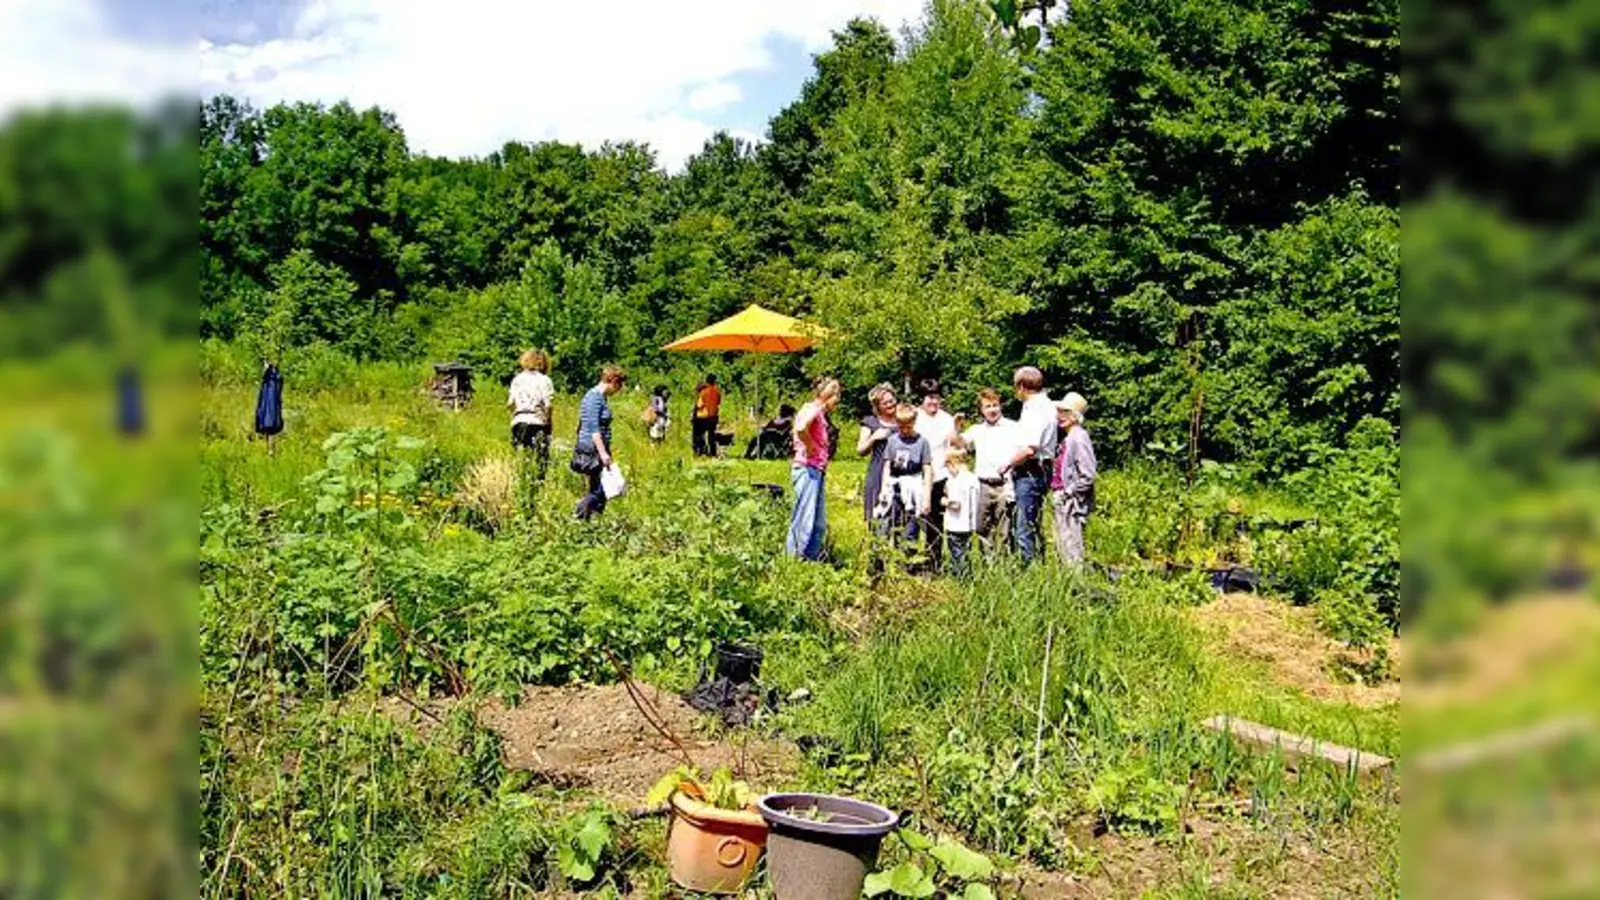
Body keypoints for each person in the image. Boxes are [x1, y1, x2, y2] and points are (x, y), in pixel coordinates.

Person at [999, 366, 1056, 564]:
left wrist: (1007, 464)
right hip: (1040, 468)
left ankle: (1028, 571)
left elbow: (1030, 448)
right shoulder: (1046, 405)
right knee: (1032, 521)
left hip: (1031, 470)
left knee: (1025, 526)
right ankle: (1036, 565)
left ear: (1022, 387)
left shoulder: (1035, 410)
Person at [787, 378, 841, 560]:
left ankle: (810, 559)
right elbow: (801, 428)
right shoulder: (813, 409)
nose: (838, 401)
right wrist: (810, 447)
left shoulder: (818, 412)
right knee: (804, 518)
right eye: (837, 396)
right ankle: (793, 560)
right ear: (828, 395)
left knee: (818, 523)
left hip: (816, 470)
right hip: (807, 469)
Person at [962, 388, 1020, 555]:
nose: (992, 410)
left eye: (995, 405)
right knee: (981, 527)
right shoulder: (976, 430)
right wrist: (955, 426)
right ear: (982, 410)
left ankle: (1003, 564)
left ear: (1000, 406)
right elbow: (959, 443)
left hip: (1004, 484)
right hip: (982, 484)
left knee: (1005, 528)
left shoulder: (1012, 427)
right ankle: (987, 562)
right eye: (988, 406)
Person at [871, 403, 933, 560]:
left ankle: (906, 563)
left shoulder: (923, 442)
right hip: (894, 487)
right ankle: (880, 563)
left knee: (910, 528)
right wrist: (884, 490)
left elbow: (927, 469)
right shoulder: (892, 441)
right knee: (886, 524)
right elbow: (887, 465)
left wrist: (926, 498)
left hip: (913, 489)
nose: (904, 430)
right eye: (901, 426)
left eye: (908, 426)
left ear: (914, 422)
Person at [913, 378, 957, 573]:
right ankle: (911, 561)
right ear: (922, 399)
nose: (933, 402)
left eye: (936, 397)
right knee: (913, 521)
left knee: (936, 522)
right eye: (929, 397)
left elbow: (951, 448)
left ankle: (933, 563)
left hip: (940, 476)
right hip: (916, 477)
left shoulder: (946, 419)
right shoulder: (913, 417)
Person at [572, 365, 625, 520]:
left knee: (599, 488)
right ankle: (579, 513)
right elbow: (593, 428)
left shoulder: (600, 398)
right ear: (613, 381)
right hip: (592, 449)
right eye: (619, 385)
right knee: (600, 490)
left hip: (597, 448)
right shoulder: (594, 397)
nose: (619, 390)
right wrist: (603, 453)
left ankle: (591, 521)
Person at [1051, 392, 1097, 565]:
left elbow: (1088, 475)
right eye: (1059, 412)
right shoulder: (1069, 437)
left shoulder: (1079, 437)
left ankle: (1077, 587)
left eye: (1065, 412)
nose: (1060, 416)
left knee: (1071, 549)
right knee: (1062, 547)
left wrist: (1068, 493)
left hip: (1072, 503)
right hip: (1063, 499)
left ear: (1075, 416)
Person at [855, 383, 899, 524]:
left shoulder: (904, 420)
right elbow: (860, 450)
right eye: (885, 403)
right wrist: (874, 438)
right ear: (877, 406)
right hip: (878, 472)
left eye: (892, 400)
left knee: (900, 518)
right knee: (877, 518)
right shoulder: (870, 422)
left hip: (901, 473)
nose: (890, 404)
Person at [508, 349, 554, 478]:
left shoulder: (517, 379)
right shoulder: (545, 380)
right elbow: (548, 405)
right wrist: (548, 420)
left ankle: (521, 480)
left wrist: (515, 414)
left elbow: (510, 404)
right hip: (537, 421)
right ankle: (538, 484)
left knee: (521, 458)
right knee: (541, 459)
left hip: (519, 421)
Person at [941, 444, 981, 579]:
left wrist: (944, 501)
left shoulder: (956, 481)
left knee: (957, 554)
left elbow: (956, 504)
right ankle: (967, 575)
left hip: (956, 523)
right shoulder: (973, 478)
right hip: (969, 523)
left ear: (952, 464)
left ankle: (960, 578)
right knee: (966, 551)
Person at [692, 374, 722, 457]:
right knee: (711, 435)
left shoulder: (703, 392)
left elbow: (699, 405)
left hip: (703, 416)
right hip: (714, 416)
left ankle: (700, 452)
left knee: (698, 435)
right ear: (715, 381)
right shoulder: (717, 392)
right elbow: (718, 402)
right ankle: (713, 452)